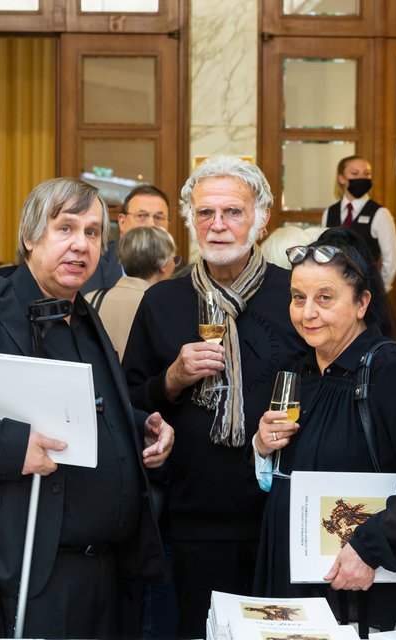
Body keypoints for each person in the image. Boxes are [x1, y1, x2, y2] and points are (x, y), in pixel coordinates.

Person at [0, 177, 174, 638]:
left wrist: (140, 426)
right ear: (30, 236)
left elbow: (86, 409)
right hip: (19, 573)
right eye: (65, 228)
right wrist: (10, 443)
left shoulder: (85, 317)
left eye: (91, 233)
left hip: (104, 575)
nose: (80, 245)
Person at [123, 156, 309, 638]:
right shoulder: (163, 302)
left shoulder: (297, 297)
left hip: (284, 515)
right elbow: (130, 401)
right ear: (189, 221)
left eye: (233, 212)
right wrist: (173, 379)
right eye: (205, 213)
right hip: (194, 516)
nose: (219, 226)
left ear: (261, 218)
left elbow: (331, 392)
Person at [254, 228, 396, 632]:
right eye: (298, 298)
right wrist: (262, 446)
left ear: (363, 302)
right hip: (296, 582)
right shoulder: (301, 371)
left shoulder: (390, 370)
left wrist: (370, 549)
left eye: (324, 298)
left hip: (364, 592)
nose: (307, 312)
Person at [88, 225, 178, 359]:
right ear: (162, 265)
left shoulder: (91, 299)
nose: (175, 265)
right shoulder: (164, 307)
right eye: (174, 259)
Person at [323, 156, 396, 289]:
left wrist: (379, 290)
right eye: (355, 173)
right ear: (342, 179)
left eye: (366, 174)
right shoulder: (329, 212)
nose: (362, 178)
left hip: (367, 291)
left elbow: (391, 260)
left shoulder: (380, 214)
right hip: (333, 290)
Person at [85, 184, 171, 292]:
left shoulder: (179, 272)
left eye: (159, 218)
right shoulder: (94, 266)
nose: (151, 225)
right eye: (142, 216)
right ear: (122, 222)